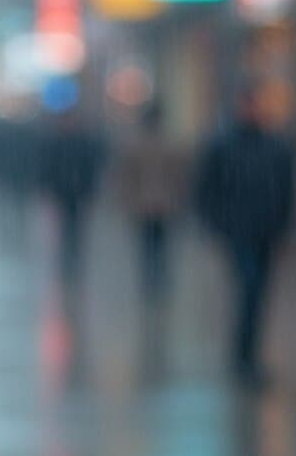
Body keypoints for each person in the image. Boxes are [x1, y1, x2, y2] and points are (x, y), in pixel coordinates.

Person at [194, 84, 295, 385]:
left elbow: (287, 190)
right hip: (238, 232)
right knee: (249, 288)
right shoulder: (222, 145)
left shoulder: (277, 146)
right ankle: (243, 357)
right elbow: (206, 190)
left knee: (259, 293)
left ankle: (248, 352)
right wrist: (217, 225)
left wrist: (285, 227)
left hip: (267, 231)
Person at [113, 102, 190, 306]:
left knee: (149, 246)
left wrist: (128, 200)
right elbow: (179, 178)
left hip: (147, 205)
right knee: (159, 246)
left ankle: (152, 280)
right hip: (161, 205)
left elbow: (127, 178)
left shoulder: (137, 145)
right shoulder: (169, 144)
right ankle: (158, 280)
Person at [40, 110, 106, 284]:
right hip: (62, 191)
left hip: (79, 192)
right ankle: (66, 258)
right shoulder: (55, 143)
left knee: (76, 226)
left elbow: (91, 168)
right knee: (65, 226)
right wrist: (47, 188)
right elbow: (48, 167)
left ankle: (75, 257)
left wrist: (91, 190)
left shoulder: (84, 143)